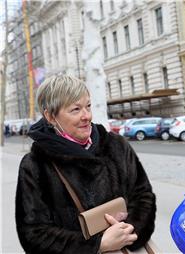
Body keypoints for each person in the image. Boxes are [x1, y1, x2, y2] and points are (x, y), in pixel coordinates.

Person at [15, 75, 156, 254]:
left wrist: (129, 232)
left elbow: (143, 195)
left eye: (88, 106)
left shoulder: (116, 145)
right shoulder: (35, 164)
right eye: (75, 109)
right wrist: (97, 245)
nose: (86, 116)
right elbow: (33, 234)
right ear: (50, 116)